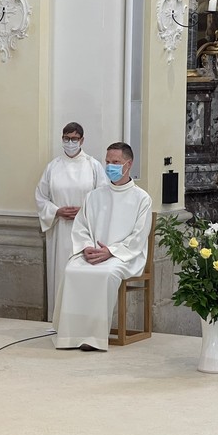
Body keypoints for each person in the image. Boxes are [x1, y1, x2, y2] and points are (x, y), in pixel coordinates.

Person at [52, 142, 152, 352]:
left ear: (128, 164)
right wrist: (86, 247)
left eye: (115, 162)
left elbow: (138, 237)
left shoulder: (142, 199)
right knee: (72, 269)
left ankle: (93, 337)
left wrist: (110, 252)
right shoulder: (95, 195)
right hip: (93, 253)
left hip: (124, 256)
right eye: (107, 162)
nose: (109, 166)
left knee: (106, 274)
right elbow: (81, 227)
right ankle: (70, 335)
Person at [35, 122, 107, 320]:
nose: (70, 142)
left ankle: (83, 319)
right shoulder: (53, 167)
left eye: (74, 139)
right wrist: (57, 210)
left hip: (86, 231)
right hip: (60, 230)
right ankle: (58, 318)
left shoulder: (93, 166)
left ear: (82, 140)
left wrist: (84, 211)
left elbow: (103, 198)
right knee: (60, 274)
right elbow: (41, 197)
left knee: (82, 277)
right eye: (66, 138)